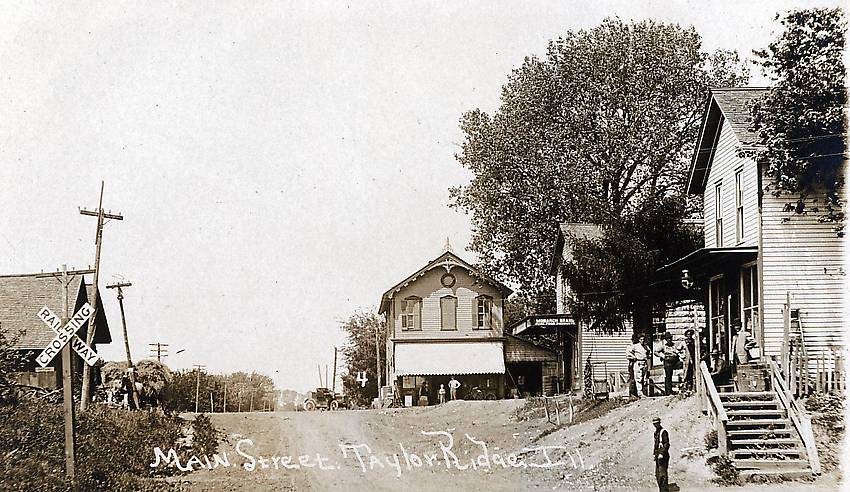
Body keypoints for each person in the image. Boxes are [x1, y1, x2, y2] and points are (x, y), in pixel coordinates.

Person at [652, 417, 670, 491]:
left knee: (662, 475)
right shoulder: (656, 433)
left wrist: (661, 453)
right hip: (658, 456)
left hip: (663, 456)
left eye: (657, 423)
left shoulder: (663, 432)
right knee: (658, 475)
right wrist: (654, 454)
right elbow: (656, 445)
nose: (655, 425)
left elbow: (666, 444)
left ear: (659, 423)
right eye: (654, 424)